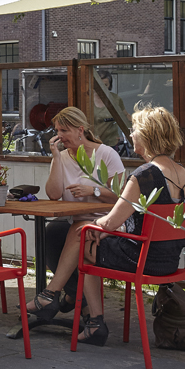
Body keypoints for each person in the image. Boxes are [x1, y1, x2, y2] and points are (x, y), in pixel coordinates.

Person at [76, 106, 185, 346]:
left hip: (142, 260)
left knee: (83, 240)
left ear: (147, 136)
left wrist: (93, 226)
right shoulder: (183, 173)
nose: (130, 135)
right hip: (171, 262)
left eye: (134, 130)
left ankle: (95, 322)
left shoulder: (145, 175)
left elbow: (110, 222)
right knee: (92, 237)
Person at [25, 106, 124, 320]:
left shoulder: (106, 154)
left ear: (80, 130)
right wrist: (56, 159)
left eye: (64, 131)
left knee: (76, 230)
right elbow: (53, 194)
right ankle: (73, 295)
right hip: (76, 219)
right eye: (57, 131)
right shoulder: (62, 156)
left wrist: (93, 190)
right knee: (51, 234)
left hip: (107, 222)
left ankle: (51, 294)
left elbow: (121, 197)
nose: (59, 136)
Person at [92, 70, 129, 151]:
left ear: (110, 86)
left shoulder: (115, 99)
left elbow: (125, 116)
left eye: (105, 85)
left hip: (111, 143)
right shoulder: (87, 100)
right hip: (93, 143)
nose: (102, 88)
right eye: (99, 84)